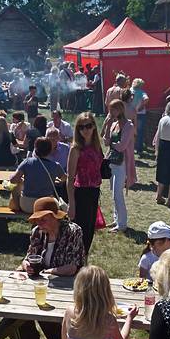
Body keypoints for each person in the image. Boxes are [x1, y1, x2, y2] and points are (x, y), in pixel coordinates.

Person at [17, 197, 86, 339]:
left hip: (70, 286)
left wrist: (48, 272)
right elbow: (28, 257)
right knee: (19, 308)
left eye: (43, 219)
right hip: (42, 285)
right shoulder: (37, 232)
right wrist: (26, 264)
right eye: (37, 220)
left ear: (55, 216)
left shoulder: (72, 231)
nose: (39, 224)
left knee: (45, 313)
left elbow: (72, 267)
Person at [67, 112, 103, 254]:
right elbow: (70, 178)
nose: (85, 130)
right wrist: (71, 204)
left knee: (89, 232)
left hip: (94, 193)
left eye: (88, 126)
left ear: (94, 126)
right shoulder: (76, 149)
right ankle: (76, 264)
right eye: (81, 127)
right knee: (79, 233)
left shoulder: (97, 147)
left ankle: (83, 262)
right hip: (81, 193)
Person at [102, 99, 135, 233]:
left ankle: (122, 224)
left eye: (113, 110)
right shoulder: (114, 124)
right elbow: (105, 141)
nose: (111, 113)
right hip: (112, 162)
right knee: (114, 193)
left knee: (117, 194)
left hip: (122, 163)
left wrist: (111, 143)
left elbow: (122, 146)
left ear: (120, 110)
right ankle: (117, 220)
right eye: (110, 110)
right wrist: (108, 126)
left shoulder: (129, 125)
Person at [10, 137, 66, 213]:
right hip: (46, 205)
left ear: (35, 149)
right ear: (50, 150)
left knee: (16, 186)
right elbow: (65, 178)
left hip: (27, 205)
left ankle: (16, 207)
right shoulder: (56, 166)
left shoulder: (27, 162)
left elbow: (13, 180)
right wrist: (56, 181)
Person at [130, 78, 149, 154]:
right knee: (140, 132)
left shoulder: (130, 91)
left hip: (130, 113)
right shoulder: (142, 92)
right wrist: (141, 106)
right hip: (140, 113)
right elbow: (146, 99)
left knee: (130, 131)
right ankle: (139, 149)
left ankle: (131, 147)